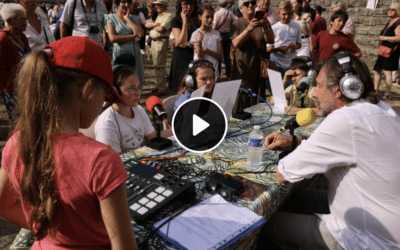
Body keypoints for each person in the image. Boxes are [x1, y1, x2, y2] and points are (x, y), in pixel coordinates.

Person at [0, 36, 138, 249]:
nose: (104, 105)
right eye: (106, 97)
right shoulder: (102, 159)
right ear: (87, 89)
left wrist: (47, 232)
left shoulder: (16, 142)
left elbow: (4, 204)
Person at [262, 52, 400, 250]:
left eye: (318, 85)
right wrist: (299, 141)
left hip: (367, 239)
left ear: (339, 89)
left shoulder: (345, 119)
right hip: (381, 220)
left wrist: (302, 148)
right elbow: (351, 147)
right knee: (295, 198)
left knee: (268, 223)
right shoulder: (383, 108)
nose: (314, 93)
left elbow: (284, 173)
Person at [95, 65, 172, 153]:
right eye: (132, 88)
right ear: (115, 91)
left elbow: (153, 136)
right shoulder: (106, 125)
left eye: (139, 87)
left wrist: (181, 129)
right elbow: (114, 162)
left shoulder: (138, 110)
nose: (138, 93)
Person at [231, 0, 274, 109]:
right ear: (241, 7)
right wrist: (248, 29)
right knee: (242, 99)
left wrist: (265, 28)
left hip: (259, 69)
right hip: (244, 71)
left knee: (258, 99)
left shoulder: (263, 21)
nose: (250, 5)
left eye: (252, 2)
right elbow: (235, 43)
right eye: (246, 3)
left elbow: (271, 40)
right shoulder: (237, 23)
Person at [0, 3, 31, 127]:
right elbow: (2, 74)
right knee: (20, 125)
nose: (25, 23)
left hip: (27, 88)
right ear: (8, 21)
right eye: (21, 19)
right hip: (14, 93)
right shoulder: (2, 40)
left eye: (26, 19)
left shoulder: (22, 37)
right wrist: (15, 93)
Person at [104, 0, 145, 84]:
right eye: (123, 2)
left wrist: (128, 19)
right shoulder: (111, 18)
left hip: (135, 52)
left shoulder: (133, 18)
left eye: (128, 2)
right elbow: (113, 38)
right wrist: (132, 36)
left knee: (135, 79)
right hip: (120, 52)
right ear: (117, 4)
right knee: (120, 80)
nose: (126, 4)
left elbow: (140, 34)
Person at [267, 1, 301, 82]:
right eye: (284, 14)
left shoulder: (296, 26)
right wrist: (278, 49)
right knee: (276, 91)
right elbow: (267, 48)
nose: (287, 16)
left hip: (290, 64)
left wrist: (294, 46)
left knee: (288, 91)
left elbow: (299, 44)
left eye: (289, 14)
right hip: (275, 64)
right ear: (279, 14)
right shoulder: (274, 27)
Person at [168, 0, 199, 89]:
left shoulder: (198, 19)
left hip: (197, 55)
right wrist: (184, 21)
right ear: (180, 5)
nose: (189, 7)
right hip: (182, 57)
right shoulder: (176, 21)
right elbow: (181, 43)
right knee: (183, 88)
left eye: (191, 3)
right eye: (186, 4)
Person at [373, 3, 400, 100]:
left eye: (393, 9)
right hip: (383, 51)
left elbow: (399, 38)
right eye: (389, 9)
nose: (390, 10)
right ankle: (376, 90)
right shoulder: (390, 21)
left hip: (390, 52)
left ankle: (387, 94)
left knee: (387, 73)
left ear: (398, 11)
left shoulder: (398, 22)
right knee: (377, 70)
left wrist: (385, 38)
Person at [146, 0, 173, 95]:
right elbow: (147, 24)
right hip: (154, 42)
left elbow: (162, 29)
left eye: (158, 4)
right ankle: (158, 85)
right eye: (155, 4)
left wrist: (152, 25)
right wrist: (155, 25)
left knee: (159, 65)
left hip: (161, 41)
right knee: (156, 65)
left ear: (164, 5)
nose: (156, 6)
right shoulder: (159, 15)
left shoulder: (168, 15)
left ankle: (161, 89)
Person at [191, 6, 223, 81]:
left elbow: (220, 55)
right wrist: (199, 41)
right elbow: (200, 57)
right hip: (201, 72)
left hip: (214, 71)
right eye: (207, 17)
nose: (210, 20)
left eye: (212, 17)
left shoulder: (216, 34)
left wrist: (205, 50)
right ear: (200, 17)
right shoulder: (196, 34)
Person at [213, 0, 238, 80]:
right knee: (227, 56)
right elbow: (236, 20)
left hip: (219, 35)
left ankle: (218, 75)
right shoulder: (229, 13)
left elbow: (214, 26)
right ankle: (228, 75)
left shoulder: (217, 13)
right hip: (227, 35)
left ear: (219, 4)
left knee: (219, 56)